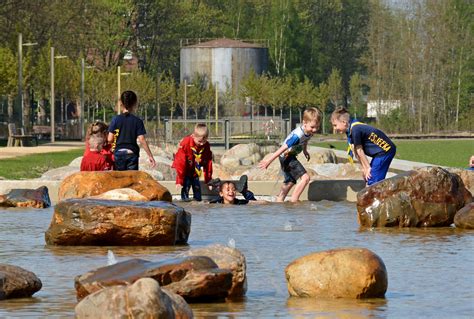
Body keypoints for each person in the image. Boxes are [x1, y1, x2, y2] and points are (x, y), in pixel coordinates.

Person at [258, 107, 322, 202]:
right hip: (287, 157)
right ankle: (294, 201)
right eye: (312, 127)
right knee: (305, 178)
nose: (314, 130)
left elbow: (306, 139)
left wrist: (305, 151)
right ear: (304, 123)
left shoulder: (308, 131)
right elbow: (282, 148)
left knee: (290, 181)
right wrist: (269, 161)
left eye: (317, 127)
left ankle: (279, 200)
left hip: (288, 157)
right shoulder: (297, 136)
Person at [331, 106, 396, 185]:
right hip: (379, 153)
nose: (334, 128)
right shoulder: (350, 130)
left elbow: (359, 150)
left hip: (385, 151)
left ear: (344, 122)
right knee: (368, 177)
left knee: (373, 180)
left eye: (335, 125)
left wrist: (368, 168)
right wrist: (364, 168)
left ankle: (378, 195)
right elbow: (356, 152)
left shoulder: (355, 129)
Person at [107, 90, 156, 171]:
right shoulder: (137, 121)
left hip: (119, 153)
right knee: (132, 180)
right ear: (134, 104)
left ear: (121, 103)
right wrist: (150, 156)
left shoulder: (115, 119)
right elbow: (142, 139)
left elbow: (109, 139)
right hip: (132, 153)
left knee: (120, 179)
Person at [172, 123, 213, 201]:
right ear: (193, 136)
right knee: (185, 187)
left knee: (197, 189)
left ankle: (197, 201)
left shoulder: (206, 145)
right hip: (185, 171)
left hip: (195, 172)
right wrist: (179, 180)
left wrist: (208, 180)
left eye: (204, 141)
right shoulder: (186, 143)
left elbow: (208, 163)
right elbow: (181, 162)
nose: (202, 144)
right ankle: (185, 201)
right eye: (199, 141)